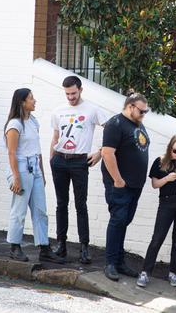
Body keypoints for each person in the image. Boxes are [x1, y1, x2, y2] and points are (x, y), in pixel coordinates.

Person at [50, 76, 108, 264]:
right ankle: (61, 244)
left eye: (73, 93)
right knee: (61, 203)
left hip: (79, 161)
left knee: (80, 205)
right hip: (59, 159)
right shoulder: (58, 111)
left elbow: (111, 130)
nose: (71, 97)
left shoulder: (92, 109)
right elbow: (55, 136)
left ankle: (84, 247)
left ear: (80, 90)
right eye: (67, 94)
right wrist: (51, 159)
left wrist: (100, 152)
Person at [5, 88, 63, 263]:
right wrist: (16, 177)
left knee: (40, 210)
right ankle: (14, 246)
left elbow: (37, 151)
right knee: (19, 209)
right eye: (31, 98)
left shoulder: (33, 121)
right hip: (21, 169)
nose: (34, 101)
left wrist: (42, 173)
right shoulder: (15, 125)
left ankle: (44, 247)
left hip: (34, 168)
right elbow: (12, 153)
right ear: (22, 102)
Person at [101, 90, 150, 281]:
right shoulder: (115, 124)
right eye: (141, 111)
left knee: (124, 222)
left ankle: (120, 262)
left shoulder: (137, 124)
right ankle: (111, 263)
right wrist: (118, 180)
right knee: (118, 220)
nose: (144, 115)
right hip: (121, 185)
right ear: (130, 107)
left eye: (146, 111)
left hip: (135, 185)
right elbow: (107, 153)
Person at [137, 135, 176, 288]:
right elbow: (155, 184)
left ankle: (173, 273)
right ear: (170, 148)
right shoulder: (160, 161)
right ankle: (145, 273)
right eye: (175, 150)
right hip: (167, 202)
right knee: (157, 237)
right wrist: (168, 179)